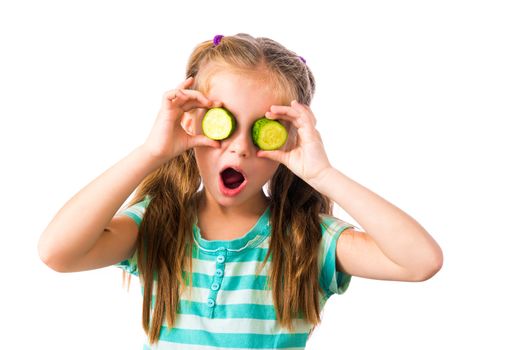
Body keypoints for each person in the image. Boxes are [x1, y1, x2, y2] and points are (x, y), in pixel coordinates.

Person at [38, 33, 443, 349]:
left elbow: (420, 262)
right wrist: (150, 153)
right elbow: (57, 252)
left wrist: (323, 174)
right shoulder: (156, 224)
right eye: (224, 123)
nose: (241, 147)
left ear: (289, 141)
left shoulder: (308, 238)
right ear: (191, 123)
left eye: (263, 131)